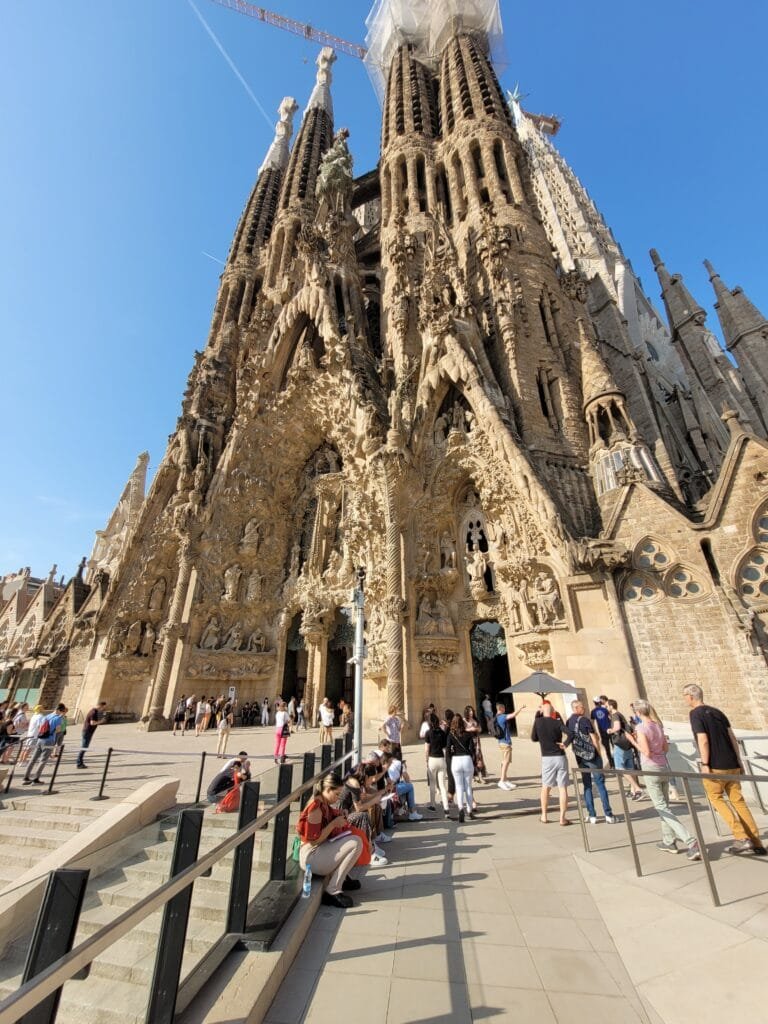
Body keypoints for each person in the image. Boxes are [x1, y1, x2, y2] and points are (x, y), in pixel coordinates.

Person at [683, 684, 766, 855]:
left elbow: (703, 739)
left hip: (715, 765)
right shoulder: (718, 712)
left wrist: (705, 764)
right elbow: (732, 737)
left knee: (716, 798)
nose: (684, 699)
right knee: (738, 801)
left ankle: (741, 837)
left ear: (690, 697)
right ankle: (756, 841)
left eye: (685, 696)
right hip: (732, 763)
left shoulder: (695, 714)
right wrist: (739, 761)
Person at [626, 700, 701, 859]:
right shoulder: (657, 725)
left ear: (638, 713)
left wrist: (634, 742)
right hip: (664, 767)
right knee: (664, 806)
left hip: (651, 768)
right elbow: (665, 748)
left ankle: (690, 841)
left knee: (661, 807)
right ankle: (669, 841)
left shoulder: (640, 727)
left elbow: (646, 752)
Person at [296, 770, 363, 908]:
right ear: (327, 789)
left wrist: (341, 814)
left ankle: (342, 878)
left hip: (316, 852)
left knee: (353, 839)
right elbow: (314, 840)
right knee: (355, 842)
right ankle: (332, 891)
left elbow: (332, 814)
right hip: (310, 857)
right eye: (337, 794)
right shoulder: (315, 808)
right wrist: (333, 824)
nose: (338, 798)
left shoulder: (323, 802)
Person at [566, 701, 616, 825]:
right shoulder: (585, 720)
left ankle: (592, 814)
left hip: (580, 756)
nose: (584, 708)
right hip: (592, 756)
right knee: (600, 784)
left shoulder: (569, 721)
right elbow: (594, 739)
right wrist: (598, 753)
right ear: (576, 708)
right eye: (582, 707)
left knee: (587, 785)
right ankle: (608, 814)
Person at [531, 700, 571, 825]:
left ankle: (544, 815)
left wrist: (538, 715)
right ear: (553, 711)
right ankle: (562, 818)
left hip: (547, 758)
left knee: (546, 788)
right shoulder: (557, 722)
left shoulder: (538, 722)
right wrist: (565, 744)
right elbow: (571, 733)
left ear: (542, 710)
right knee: (562, 788)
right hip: (560, 756)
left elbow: (533, 738)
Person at [606, 699, 643, 800]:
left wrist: (610, 730)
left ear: (611, 706)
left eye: (607, 706)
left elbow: (617, 727)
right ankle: (633, 791)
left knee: (620, 768)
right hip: (627, 744)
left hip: (620, 744)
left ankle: (637, 788)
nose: (606, 708)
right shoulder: (620, 714)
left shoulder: (614, 715)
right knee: (630, 768)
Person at [23, 704, 67, 786]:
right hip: (49, 740)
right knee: (43, 760)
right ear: (61, 710)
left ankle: (26, 777)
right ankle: (36, 779)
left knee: (33, 758)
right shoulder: (58, 718)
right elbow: (58, 730)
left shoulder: (47, 716)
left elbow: (40, 727)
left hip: (40, 738)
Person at [446, 715, 476, 823]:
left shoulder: (451, 735)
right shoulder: (468, 734)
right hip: (466, 759)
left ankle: (460, 809)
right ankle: (469, 810)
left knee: (459, 787)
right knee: (468, 786)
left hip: (456, 760)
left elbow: (448, 751)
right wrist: (473, 760)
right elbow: (472, 749)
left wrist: (449, 762)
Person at [495, 701, 527, 791]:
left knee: (504, 761)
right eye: (504, 708)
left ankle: (505, 779)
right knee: (506, 761)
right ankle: (502, 781)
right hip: (505, 742)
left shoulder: (496, 717)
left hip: (501, 742)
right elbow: (513, 715)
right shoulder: (501, 717)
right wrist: (520, 708)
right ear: (501, 709)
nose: (505, 710)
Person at [423, 712, 449, 814]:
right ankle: (446, 806)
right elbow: (444, 746)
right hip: (441, 759)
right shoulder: (442, 733)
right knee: (442, 785)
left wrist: (426, 760)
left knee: (433, 784)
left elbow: (426, 749)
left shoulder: (428, 733)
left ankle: (433, 804)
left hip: (432, 759)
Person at [387, 752, 423, 821]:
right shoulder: (400, 764)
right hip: (392, 788)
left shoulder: (390, 763)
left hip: (389, 787)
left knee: (403, 784)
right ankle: (412, 812)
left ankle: (400, 809)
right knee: (410, 787)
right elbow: (407, 778)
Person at [76, 701, 107, 768]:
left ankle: (79, 762)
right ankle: (79, 763)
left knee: (84, 747)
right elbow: (92, 723)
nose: (103, 709)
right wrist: (101, 721)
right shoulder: (94, 712)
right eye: (103, 707)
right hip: (87, 731)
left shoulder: (94, 711)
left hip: (88, 731)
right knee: (84, 747)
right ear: (100, 705)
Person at [590, 696, 613, 762]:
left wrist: (595, 732)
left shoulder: (593, 711)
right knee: (614, 746)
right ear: (600, 702)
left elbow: (592, 723)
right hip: (610, 730)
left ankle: (611, 764)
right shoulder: (605, 709)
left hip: (602, 732)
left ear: (594, 703)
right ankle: (616, 762)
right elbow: (611, 718)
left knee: (607, 749)